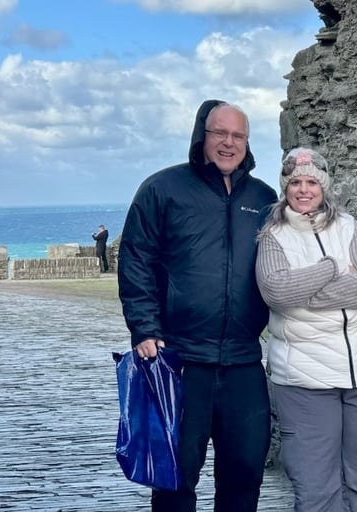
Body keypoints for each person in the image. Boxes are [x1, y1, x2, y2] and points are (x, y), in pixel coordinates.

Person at [117, 100, 277, 512]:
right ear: (201, 136)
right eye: (219, 133)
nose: (229, 143)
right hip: (180, 358)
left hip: (243, 360)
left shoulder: (263, 197)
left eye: (238, 135)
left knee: (245, 474)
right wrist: (144, 327)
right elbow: (136, 259)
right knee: (175, 479)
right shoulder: (162, 189)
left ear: (247, 142)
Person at [255, 147, 357, 512]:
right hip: (304, 381)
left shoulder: (351, 228)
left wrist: (305, 292)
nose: (303, 190)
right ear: (285, 187)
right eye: (295, 182)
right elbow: (277, 292)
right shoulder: (274, 237)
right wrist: (332, 266)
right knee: (316, 489)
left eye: (312, 182)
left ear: (324, 187)